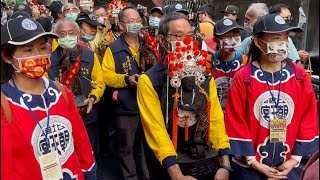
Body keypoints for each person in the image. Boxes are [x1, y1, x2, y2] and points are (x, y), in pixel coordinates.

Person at [137, 12, 231, 180]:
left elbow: (216, 119)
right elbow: (156, 131)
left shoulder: (204, 76)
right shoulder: (149, 81)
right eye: (178, 36)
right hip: (168, 166)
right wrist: (177, 174)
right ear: (162, 40)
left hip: (204, 160)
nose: (187, 42)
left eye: (190, 36)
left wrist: (225, 164)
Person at [224, 13, 319, 180]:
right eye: (276, 38)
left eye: (285, 37)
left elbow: (308, 116)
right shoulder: (244, 77)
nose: (282, 43)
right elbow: (235, 120)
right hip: (249, 168)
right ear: (258, 42)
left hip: (288, 167)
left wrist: (294, 160)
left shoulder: (298, 75)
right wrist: (253, 162)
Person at [1, 17, 96, 179]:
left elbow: (81, 144)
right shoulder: (5, 103)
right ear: (7, 57)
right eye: (28, 50)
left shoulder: (62, 93)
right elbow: (6, 166)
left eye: (42, 47)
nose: (38, 55)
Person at [48, 18, 105, 179]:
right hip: (60, 119)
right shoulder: (50, 59)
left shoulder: (89, 55)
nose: (67, 37)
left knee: (90, 151)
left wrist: (93, 98)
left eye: (71, 33)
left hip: (87, 114)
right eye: (62, 34)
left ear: (78, 34)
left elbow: (99, 83)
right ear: (56, 36)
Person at [101, 6, 148, 180]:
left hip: (148, 104)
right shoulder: (113, 48)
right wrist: (126, 79)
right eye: (131, 22)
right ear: (121, 26)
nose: (136, 24)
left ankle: (147, 175)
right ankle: (131, 177)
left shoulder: (147, 44)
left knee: (146, 146)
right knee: (126, 146)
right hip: (125, 105)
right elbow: (107, 76)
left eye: (138, 21)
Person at [212, 18, 246, 112]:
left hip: (237, 112)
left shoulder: (246, 62)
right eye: (227, 36)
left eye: (235, 36)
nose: (233, 41)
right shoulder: (209, 62)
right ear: (216, 40)